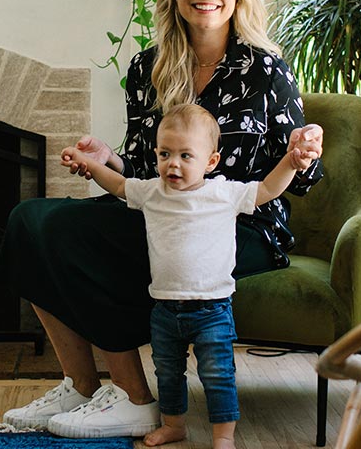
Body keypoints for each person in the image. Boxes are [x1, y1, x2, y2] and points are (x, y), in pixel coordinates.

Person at [0, 0, 324, 439]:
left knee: (70, 237)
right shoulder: (146, 67)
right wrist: (108, 159)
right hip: (164, 212)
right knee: (30, 222)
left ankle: (133, 397)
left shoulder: (265, 70)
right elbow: (145, 170)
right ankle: (81, 385)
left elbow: (295, 180)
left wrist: (305, 151)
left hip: (240, 226)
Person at [60, 103, 315, 448]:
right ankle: (174, 426)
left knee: (218, 375)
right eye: (165, 154)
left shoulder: (222, 194)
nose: (173, 164)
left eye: (185, 156)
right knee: (167, 374)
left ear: (210, 162)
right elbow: (119, 185)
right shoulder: (152, 192)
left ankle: (224, 436)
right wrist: (90, 163)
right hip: (165, 309)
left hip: (212, 310)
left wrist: (291, 162)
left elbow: (268, 189)